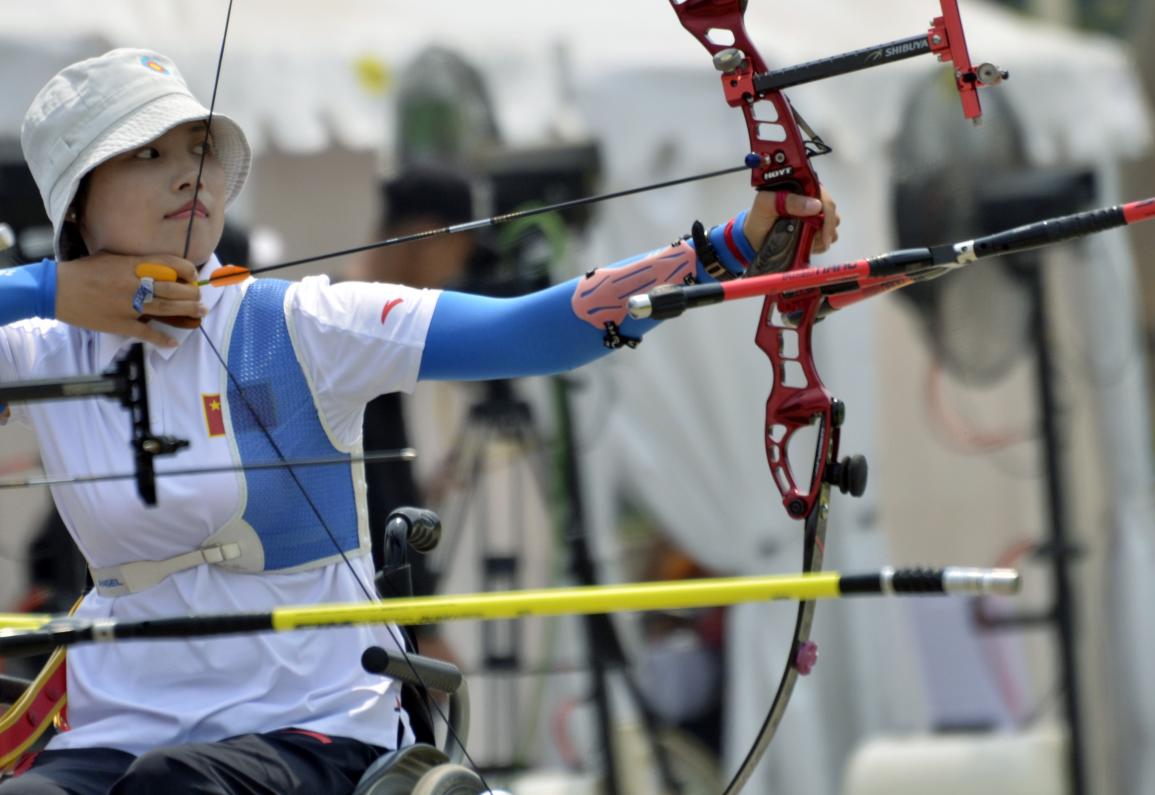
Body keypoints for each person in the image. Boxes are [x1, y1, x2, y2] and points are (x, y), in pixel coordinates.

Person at [0, 48, 838, 794]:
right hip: (118, 728)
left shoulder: (298, 325)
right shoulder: (40, 344)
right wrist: (52, 289)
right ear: (78, 201)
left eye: (197, 150)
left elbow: (532, 329)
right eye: (148, 153)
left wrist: (730, 246)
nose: (190, 174)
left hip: (311, 731)